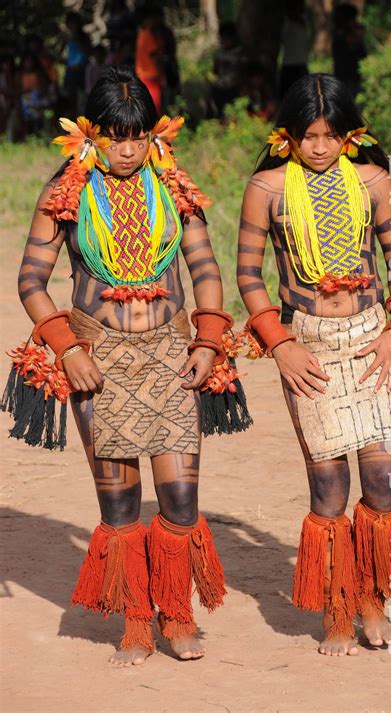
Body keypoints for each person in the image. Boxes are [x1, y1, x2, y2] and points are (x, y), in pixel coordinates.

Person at [16, 65, 231, 667]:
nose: (128, 150)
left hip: (170, 355)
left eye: (138, 136)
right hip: (98, 361)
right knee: (119, 508)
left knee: (181, 500)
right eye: (115, 137)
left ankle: (177, 613)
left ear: (154, 134)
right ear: (91, 133)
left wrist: (207, 342)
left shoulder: (174, 186)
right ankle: (137, 621)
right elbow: (31, 280)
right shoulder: (68, 190)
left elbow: (205, 270)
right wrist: (69, 349)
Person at [237, 73, 391, 657]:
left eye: (331, 135)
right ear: (287, 137)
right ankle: (338, 607)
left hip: (373, 338)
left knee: (382, 478)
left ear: (350, 135)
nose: (319, 148)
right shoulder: (267, 189)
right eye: (308, 136)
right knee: (329, 488)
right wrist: (280, 343)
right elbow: (249, 276)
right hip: (310, 345)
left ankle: (372, 598)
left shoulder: (374, 181)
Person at [332, 3, 366, 98]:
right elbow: (352, 43)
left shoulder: (344, 32)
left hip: (353, 74)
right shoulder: (340, 33)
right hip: (346, 75)